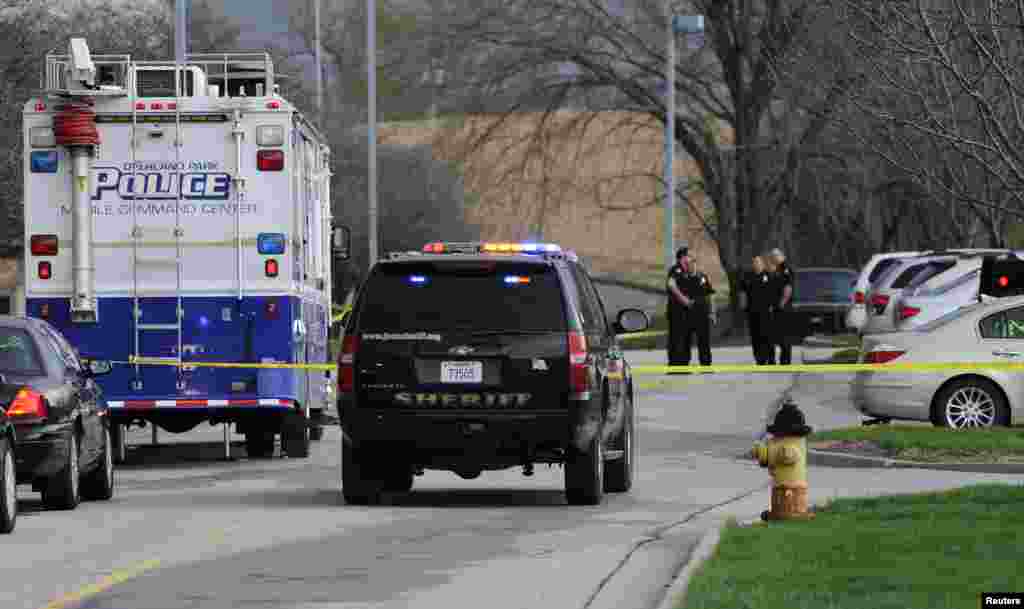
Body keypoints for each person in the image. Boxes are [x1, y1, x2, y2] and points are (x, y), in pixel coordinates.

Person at [666, 246, 716, 372]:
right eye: (689, 256)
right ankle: (676, 366)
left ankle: (689, 365)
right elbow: (671, 285)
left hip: (691, 314)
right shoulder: (676, 269)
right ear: (683, 258)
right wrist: (684, 300)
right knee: (677, 340)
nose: (691, 259)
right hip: (676, 312)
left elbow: (710, 294)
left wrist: (711, 312)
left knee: (687, 341)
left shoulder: (696, 275)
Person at [741, 255, 773, 365]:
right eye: (754, 262)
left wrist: (773, 306)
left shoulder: (768, 276)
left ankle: (771, 358)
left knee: (767, 336)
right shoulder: (748, 276)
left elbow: (774, 293)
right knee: (755, 337)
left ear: (762, 264)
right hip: (752, 312)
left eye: (758, 262)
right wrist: (743, 307)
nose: (756, 264)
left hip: (766, 312)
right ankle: (760, 359)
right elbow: (743, 292)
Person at [767, 248, 795, 365]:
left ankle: (785, 362)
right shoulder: (775, 270)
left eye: (776, 256)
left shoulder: (786, 269)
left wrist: (781, 304)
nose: (774, 258)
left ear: (782, 256)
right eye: (772, 257)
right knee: (772, 336)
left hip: (783, 309)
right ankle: (771, 361)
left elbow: (788, 288)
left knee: (785, 337)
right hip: (774, 308)